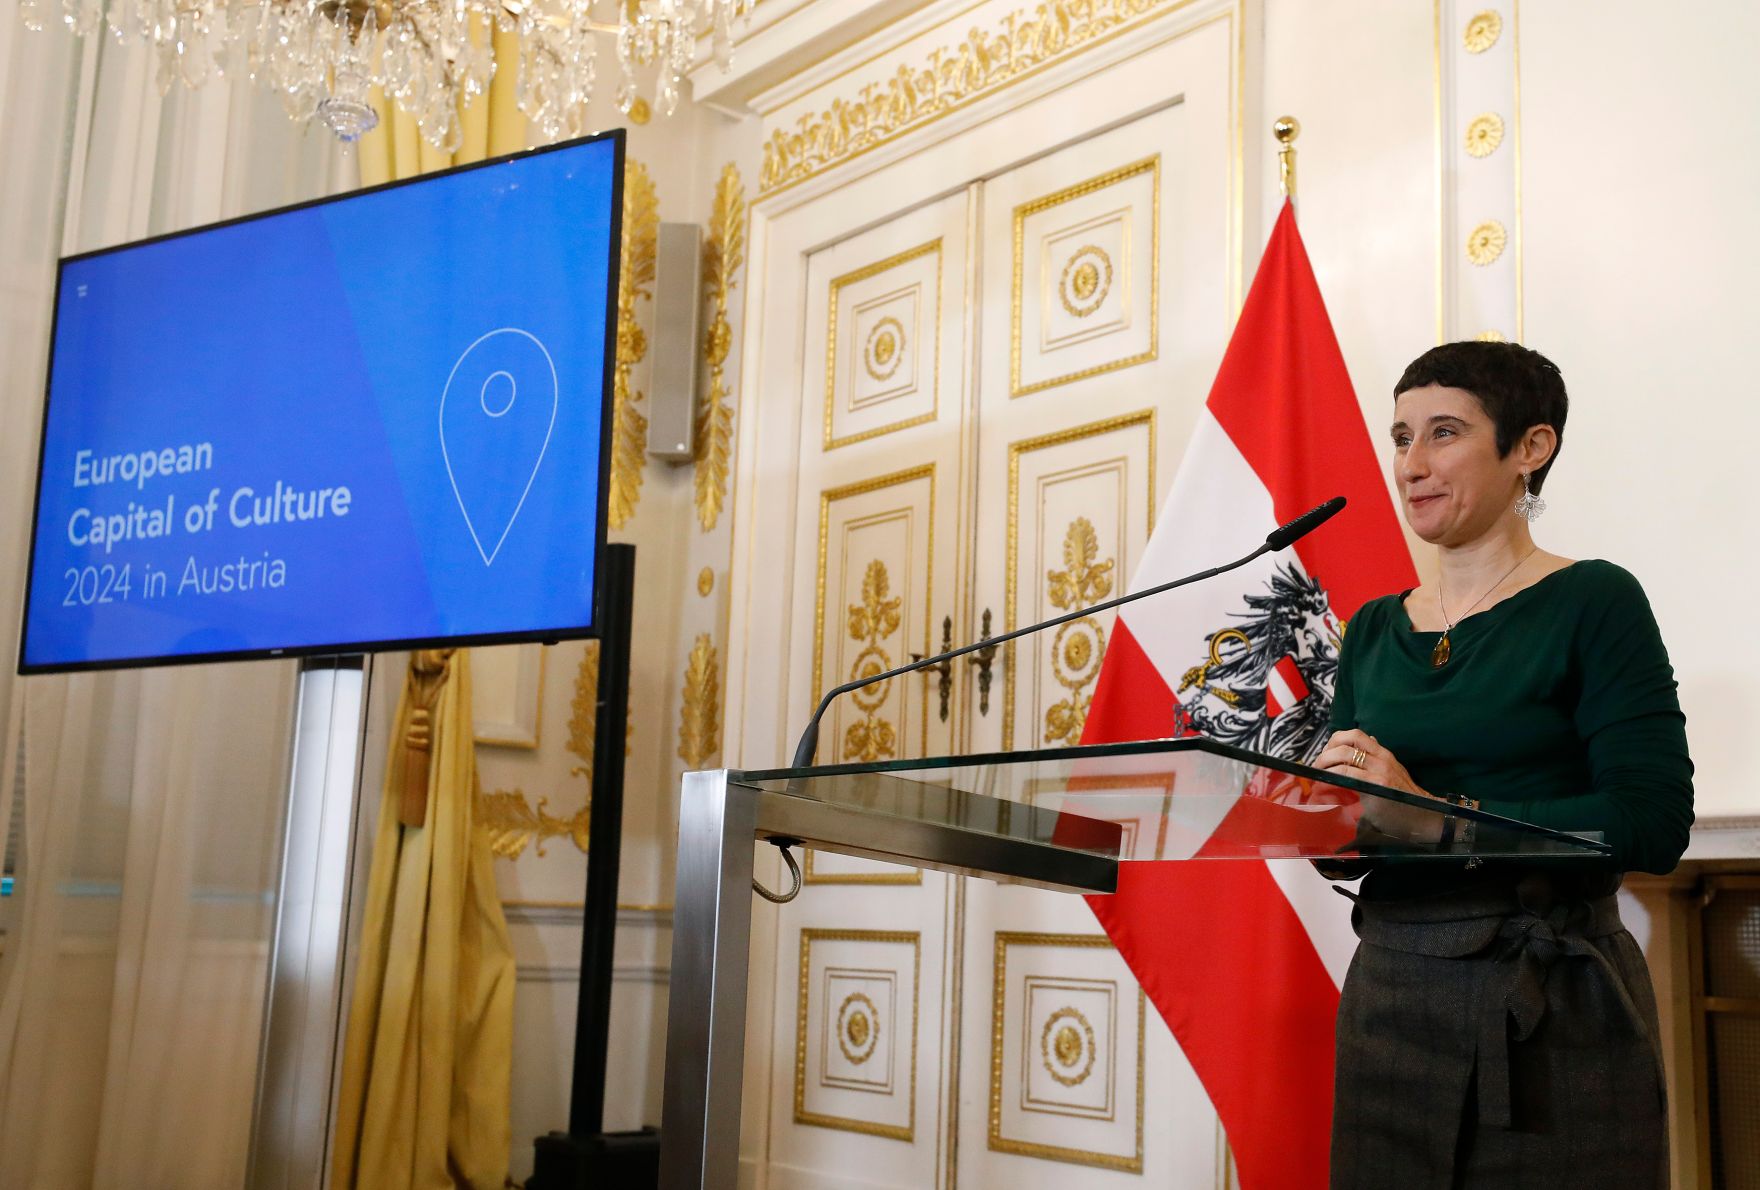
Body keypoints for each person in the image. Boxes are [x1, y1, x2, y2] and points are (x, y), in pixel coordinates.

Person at [1313, 340, 1693, 1188]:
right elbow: (1351, 830)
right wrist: (1315, 808)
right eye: (1401, 437)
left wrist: (1437, 816)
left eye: (1444, 432)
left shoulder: (1595, 599)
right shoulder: (1373, 626)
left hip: (1550, 1002)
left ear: (1531, 447)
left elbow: (1653, 823)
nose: (1413, 464)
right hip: (1392, 997)